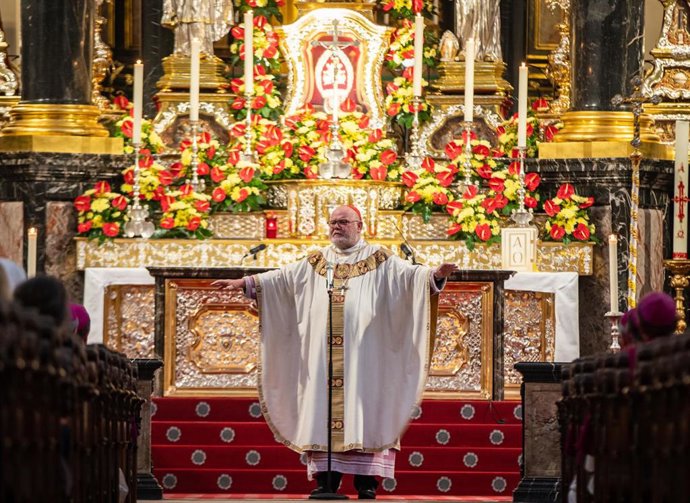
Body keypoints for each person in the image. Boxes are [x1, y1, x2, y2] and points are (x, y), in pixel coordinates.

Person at [214, 205, 458, 498]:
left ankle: (366, 485)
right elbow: (280, 279)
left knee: (366, 412)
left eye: (343, 222)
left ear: (360, 225)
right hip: (322, 360)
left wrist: (435, 275)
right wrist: (243, 283)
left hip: (366, 357)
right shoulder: (317, 260)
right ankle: (325, 483)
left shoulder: (380, 258)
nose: (337, 227)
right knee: (321, 411)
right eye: (333, 222)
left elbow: (411, 278)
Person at [162, 0, 234, 56]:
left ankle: (201, 52)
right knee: (184, 29)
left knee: (198, 26)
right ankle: (183, 53)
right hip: (183, 8)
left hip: (201, 9)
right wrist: (168, 12)